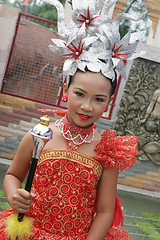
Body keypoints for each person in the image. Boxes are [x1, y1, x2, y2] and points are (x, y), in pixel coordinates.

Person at [0, 0, 145, 239]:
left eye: (99, 99)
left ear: (109, 102)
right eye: (79, 94)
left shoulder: (108, 151)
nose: (87, 106)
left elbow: (105, 211)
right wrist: (13, 194)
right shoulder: (39, 136)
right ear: (65, 88)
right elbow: (13, 175)